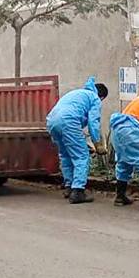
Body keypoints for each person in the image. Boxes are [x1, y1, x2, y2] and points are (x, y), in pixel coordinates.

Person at [46, 76, 109, 204]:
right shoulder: (94, 98)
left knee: (66, 155)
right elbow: (93, 122)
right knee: (81, 156)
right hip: (69, 121)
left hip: (52, 121)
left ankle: (69, 187)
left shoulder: (78, 93)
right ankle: (78, 191)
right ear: (102, 97)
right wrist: (97, 144)